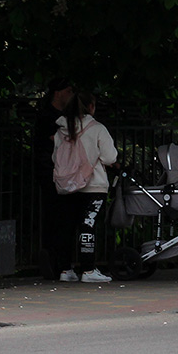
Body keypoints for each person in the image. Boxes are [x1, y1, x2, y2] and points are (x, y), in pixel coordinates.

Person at [52, 90, 118, 284]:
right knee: (87, 225)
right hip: (93, 185)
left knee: (67, 227)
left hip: (67, 186)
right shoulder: (97, 128)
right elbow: (110, 157)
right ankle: (88, 269)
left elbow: (55, 157)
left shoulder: (61, 129)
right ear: (91, 107)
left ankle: (65, 269)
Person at [33, 79, 74, 280]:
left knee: (62, 217)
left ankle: (59, 260)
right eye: (68, 91)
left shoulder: (63, 116)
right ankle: (52, 259)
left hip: (61, 171)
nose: (71, 95)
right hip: (50, 171)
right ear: (57, 93)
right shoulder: (47, 118)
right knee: (54, 215)